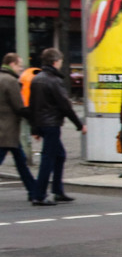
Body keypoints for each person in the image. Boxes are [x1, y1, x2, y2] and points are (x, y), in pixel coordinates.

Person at [28, 48, 86, 206]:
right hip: (52, 124)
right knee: (48, 158)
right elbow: (65, 106)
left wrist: (34, 129)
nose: (61, 64)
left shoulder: (37, 78)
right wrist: (79, 125)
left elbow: (32, 106)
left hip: (42, 123)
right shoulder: (54, 80)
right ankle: (39, 195)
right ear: (55, 62)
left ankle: (58, 191)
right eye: (60, 61)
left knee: (59, 155)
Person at [0, 52, 37, 201]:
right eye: (20, 65)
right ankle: (34, 191)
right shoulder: (10, 81)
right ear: (12, 64)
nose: (21, 69)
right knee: (20, 163)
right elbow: (19, 107)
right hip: (8, 131)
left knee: (21, 162)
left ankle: (33, 191)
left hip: (4, 129)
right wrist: (34, 118)